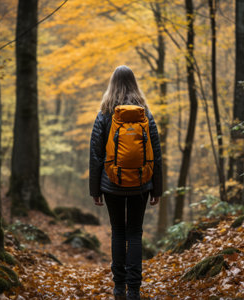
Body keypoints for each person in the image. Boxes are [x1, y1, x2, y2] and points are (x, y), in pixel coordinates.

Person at [89, 65, 163, 300]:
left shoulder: (104, 113)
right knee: (135, 233)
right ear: (134, 84)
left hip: (111, 184)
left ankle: (119, 287)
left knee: (118, 232)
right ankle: (134, 290)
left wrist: (95, 189)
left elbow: (96, 154)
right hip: (141, 184)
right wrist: (157, 188)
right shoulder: (144, 114)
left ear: (112, 84)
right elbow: (156, 154)